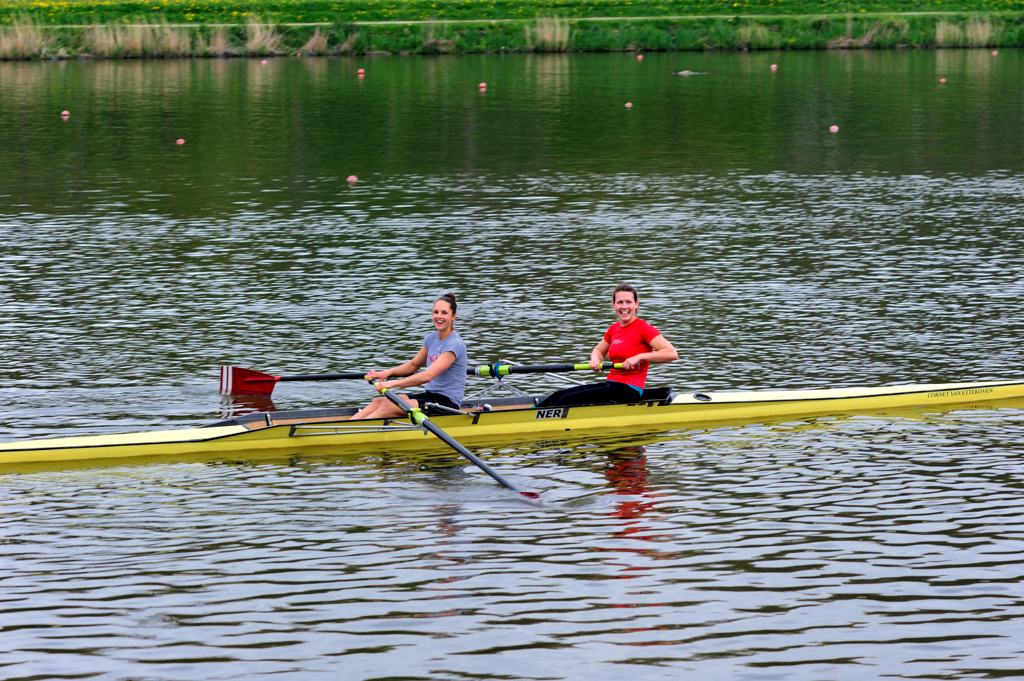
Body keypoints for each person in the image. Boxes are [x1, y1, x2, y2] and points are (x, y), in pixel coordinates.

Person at [536, 284, 678, 408]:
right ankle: (531, 413)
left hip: (630, 390)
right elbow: (598, 350)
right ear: (613, 305)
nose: (624, 307)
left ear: (636, 304)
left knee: (567, 399)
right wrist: (595, 360)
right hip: (611, 384)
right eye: (620, 302)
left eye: (628, 302)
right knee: (558, 395)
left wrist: (639, 357)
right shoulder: (614, 329)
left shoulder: (643, 328)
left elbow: (671, 353)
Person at [349, 293, 468, 420]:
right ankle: (345, 428)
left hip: (447, 404)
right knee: (378, 402)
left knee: (387, 407)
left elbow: (427, 376)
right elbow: (413, 365)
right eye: (436, 312)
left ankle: (348, 436)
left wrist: (391, 384)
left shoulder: (454, 345)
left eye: (444, 313)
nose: (439, 316)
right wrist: (385, 373)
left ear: (453, 316)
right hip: (430, 396)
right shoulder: (431, 338)